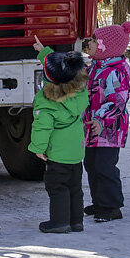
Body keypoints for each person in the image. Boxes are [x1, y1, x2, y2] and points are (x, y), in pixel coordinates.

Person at [29, 37, 90, 234]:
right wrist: (43, 51)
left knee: (58, 187)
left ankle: (60, 221)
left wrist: (37, 148)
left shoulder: (47, 101)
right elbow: (62, 70)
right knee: (75, 187)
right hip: (76, 151)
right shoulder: (80, 90)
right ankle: (76, 221)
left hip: (57, 153)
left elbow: (42, 127)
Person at [83, 20, 130, 223]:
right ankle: (99, 202)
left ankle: (112, 206)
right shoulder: (94, 67)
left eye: (95, 40)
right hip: (93, 127)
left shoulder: (116, 71)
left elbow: (118, 101)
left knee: (105, 166)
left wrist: (101, 120)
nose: (91, 43)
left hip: (110, 129)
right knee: (91, 164)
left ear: (106, 46)